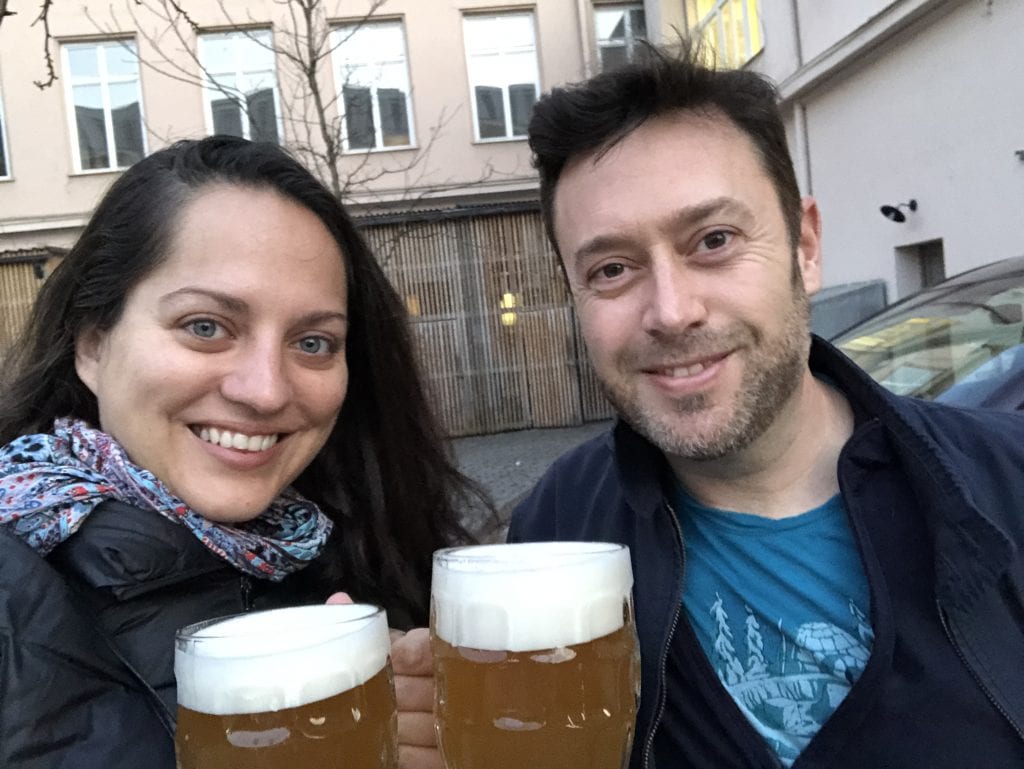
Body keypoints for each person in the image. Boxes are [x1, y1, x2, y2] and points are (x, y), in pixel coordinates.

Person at [392, 41, 1024, 769]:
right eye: (612, 268)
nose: (670, 310)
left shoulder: (1004, 483)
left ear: (806, 245)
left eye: (714, 240)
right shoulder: (560, 525)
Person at [0, 136, 487, 769]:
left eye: (313, 342)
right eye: (206, 327)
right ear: (92, 344)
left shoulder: (371, 555)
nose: (264, 391)